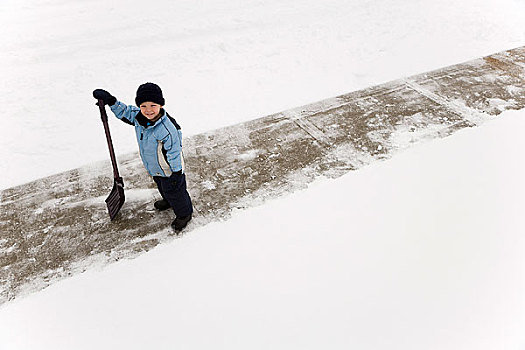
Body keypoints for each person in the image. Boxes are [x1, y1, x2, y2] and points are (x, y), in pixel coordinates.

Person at [93, 83, 193, 232]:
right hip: (154, 168)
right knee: (162, 188)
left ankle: (185, 214)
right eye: (143, 106)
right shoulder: (139, 117)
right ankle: (168, 200)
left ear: (161, 105)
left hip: (170, 171)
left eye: (153, 105)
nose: (148, 110)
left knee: (176, 193)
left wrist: (177, 174)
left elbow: (175, 153)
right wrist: (111, 101)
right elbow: (125, 112)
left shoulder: (167, 129)